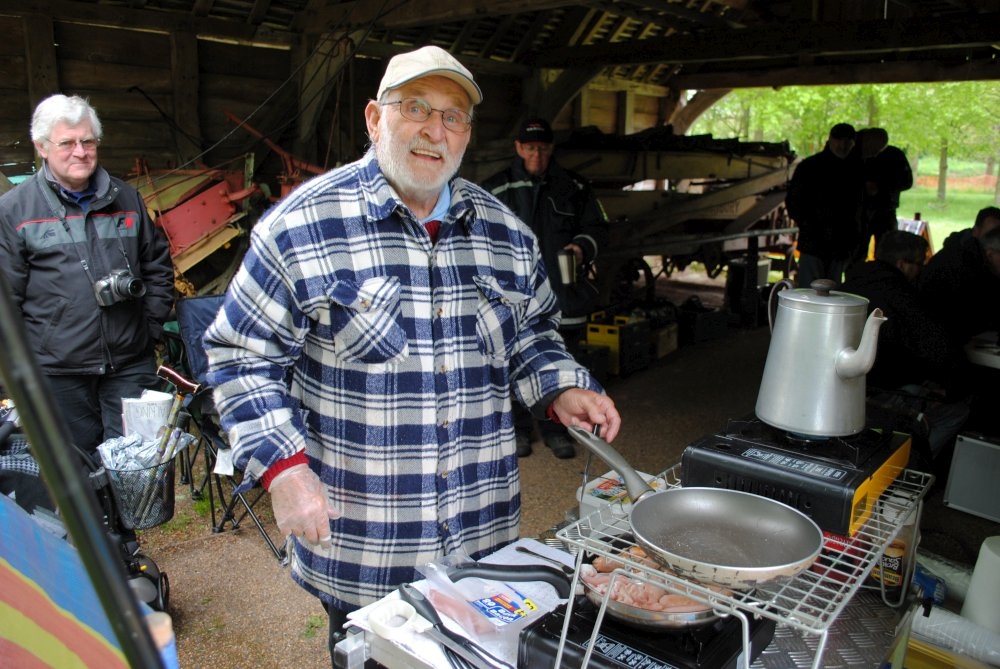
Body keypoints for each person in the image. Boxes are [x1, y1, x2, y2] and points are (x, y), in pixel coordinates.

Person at [201, 45, 621, 664]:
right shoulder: (301, 226)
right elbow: (241, 356)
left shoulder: (507, 234)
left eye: (453, 116)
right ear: (375, 119)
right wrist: (283, 469)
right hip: (366, 548)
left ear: (467, 133)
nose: (434, 130)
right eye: (416, 108)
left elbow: (532, 334)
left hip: (481, 536)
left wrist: (562, 385)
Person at [0, 94, 175, 455]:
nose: (80, 152)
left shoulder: (127, 199)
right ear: (42, 147)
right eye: (67, 143)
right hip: (57, 372)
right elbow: (6, 300)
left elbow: (157, 266)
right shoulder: (14, 210)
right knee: (76, 470)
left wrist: (149, 330)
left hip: (129, 364)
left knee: (138, 467)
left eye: (88, 141)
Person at [482, 117, 609, 458]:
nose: (536, 154)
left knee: (561, 357)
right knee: (511, 358)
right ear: (518, 148)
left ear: (551, 147)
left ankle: (557, 432)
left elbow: (599, 227)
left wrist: (581, 248)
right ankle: (520, 430)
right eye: (529, 147)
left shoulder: (574, 187)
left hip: (562, 292)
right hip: (511, 295)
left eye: (541, 147)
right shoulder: (495, 189)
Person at [841, 230, 969, 465]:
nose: (921, 270)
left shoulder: (852, 282)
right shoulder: (901, 295)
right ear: (902, 264)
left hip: (846, 386)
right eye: (919, 264)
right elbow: (937, 346)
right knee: (957, 410)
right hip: (881, 392)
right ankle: (906, 465)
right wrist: (954, 385)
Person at [784, 122, 862, 287]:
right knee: (811, 291)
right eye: (839, 141)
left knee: (829, 291)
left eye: (847, 142)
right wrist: (808, 224)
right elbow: (794, 201)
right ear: (831, 140)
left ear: (853, 143)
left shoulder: (856, 170)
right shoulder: (810, 167)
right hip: (815, 240)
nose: (843, 146)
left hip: (839, 243)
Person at [919, 206, 1000, 349]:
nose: (995, 237)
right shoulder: (965, 265)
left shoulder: (970, 256)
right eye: (992, 233)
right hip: (939, 341)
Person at [855, 127, 913, 261]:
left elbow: (907, 181)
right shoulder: (856, 155)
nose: (874, 151)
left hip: (885, 210)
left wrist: (880, 187)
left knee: (887, 251)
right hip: (860, 211)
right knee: (857, 252)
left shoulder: (894, 155)